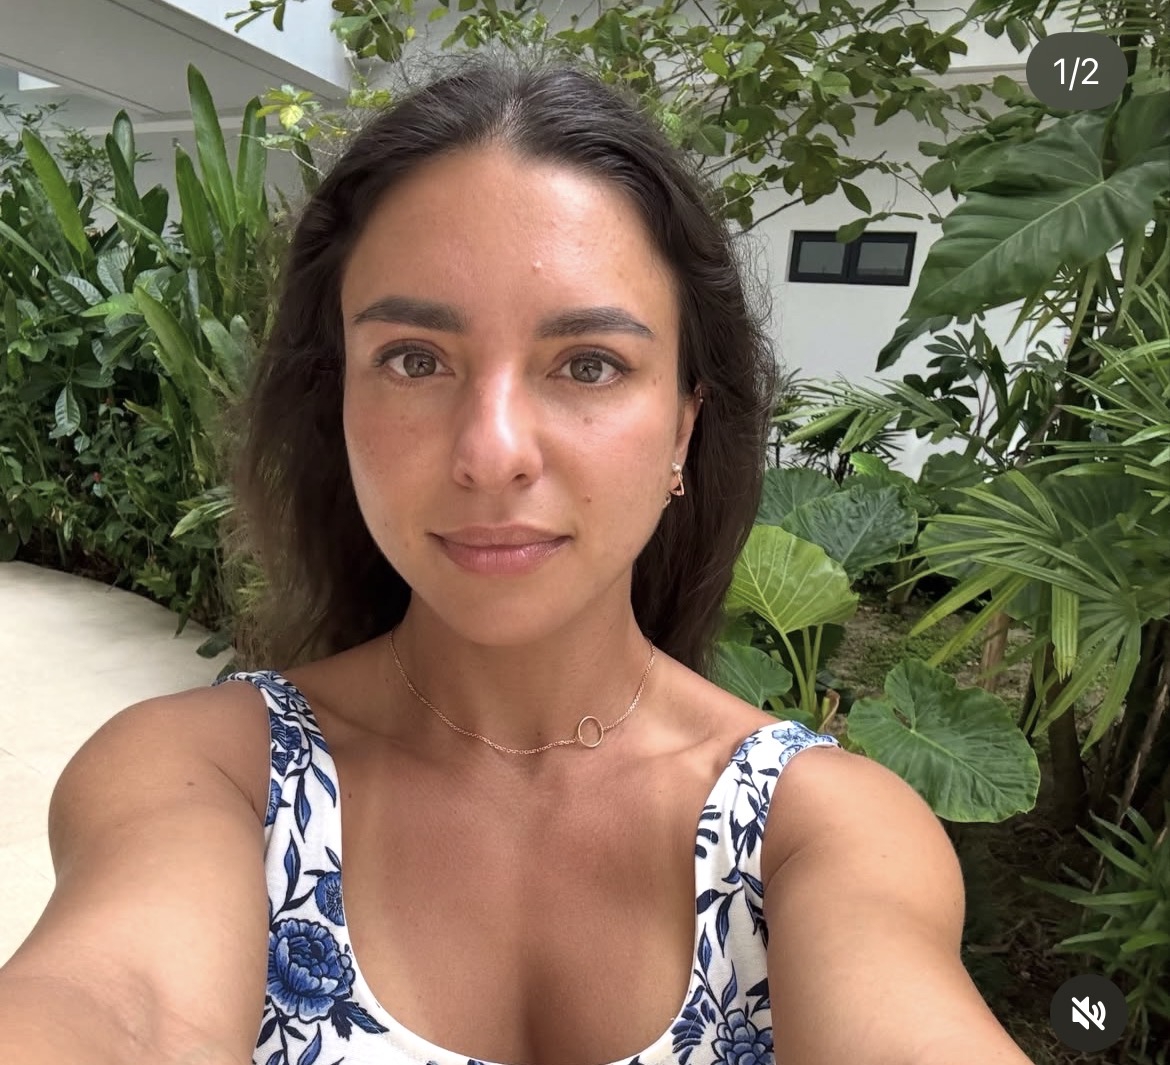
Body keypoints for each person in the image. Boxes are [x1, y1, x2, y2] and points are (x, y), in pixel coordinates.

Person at [0, 52, 1035, 1065]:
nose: (492, 452)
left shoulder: (817, 832)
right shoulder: (209, 779)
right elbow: (124, 1010)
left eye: (589, 365)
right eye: (415, 360)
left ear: (683, 426)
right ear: (339, 402)